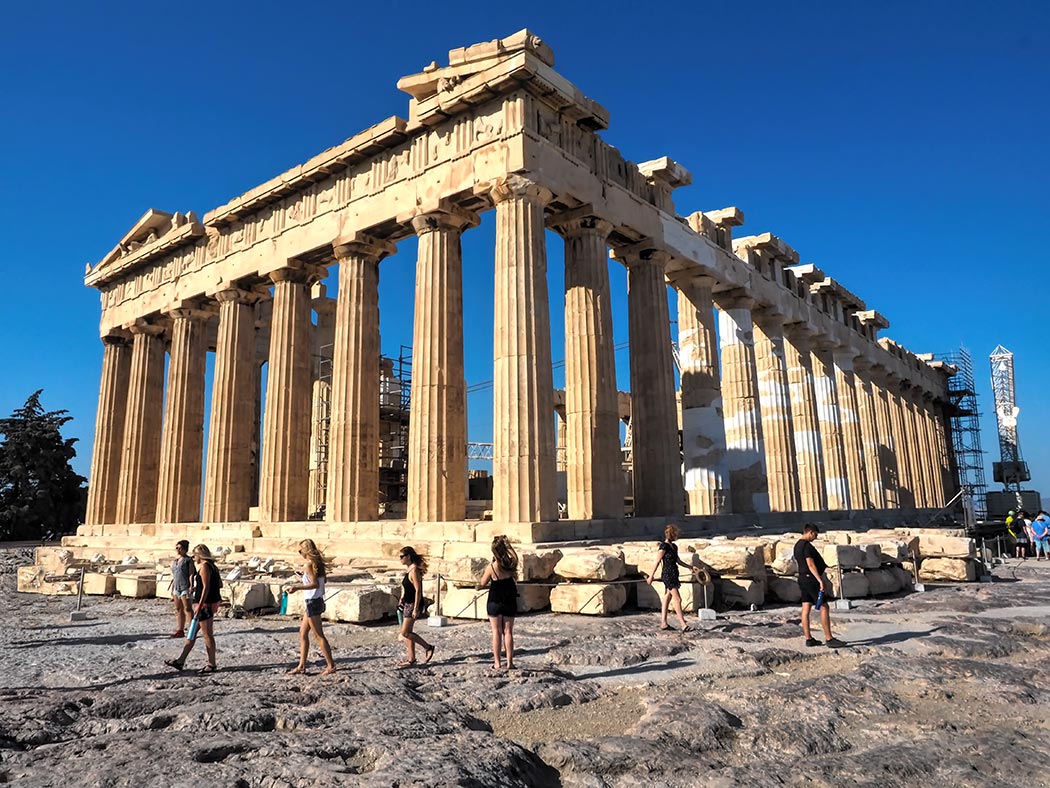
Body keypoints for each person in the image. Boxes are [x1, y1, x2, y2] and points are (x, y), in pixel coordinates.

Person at [164, 544, 222, 674]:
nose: (194, 558)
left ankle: (212, 664)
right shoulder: (213, 566)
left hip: (204, 605)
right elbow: (218, 584)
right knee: (191, 634)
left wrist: (200, 604)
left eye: (195, 555)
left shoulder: (205, 567)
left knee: (207, 635)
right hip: (208, 603)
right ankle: (180, 661)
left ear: (200, 555)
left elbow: (206, 587)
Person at [284, 539, 336, 675]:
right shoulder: (318, 564)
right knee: (302, 633)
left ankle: (331, 665)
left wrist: (297, 587)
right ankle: (301, 665)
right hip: (316, 600)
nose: (300, 553)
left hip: (312, 602)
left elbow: (315, 584)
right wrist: (304, 577)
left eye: (300, 550)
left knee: (319, 636)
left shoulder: (309, 565)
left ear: (305, 551)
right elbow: (322, 580)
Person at [793, 524, 845, 648]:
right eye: (815, 535)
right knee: (824, 606)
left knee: (806, 607)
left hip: (802, 577)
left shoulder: (797, 545)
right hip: (811, 578)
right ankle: (829, 638)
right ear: (810, 532)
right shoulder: (806, 546)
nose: (815, 538)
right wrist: (820, 580)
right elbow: (810, 564)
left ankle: (808, 638)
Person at [647, 524, 700, 632]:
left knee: (667, 597)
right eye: (675, 533)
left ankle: (663, 623)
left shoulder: (674, 547)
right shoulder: (663, 546)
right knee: (677, 599)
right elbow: (657, 561)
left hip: (674, 573)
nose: (677, 535)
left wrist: (690, 567)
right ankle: (683, 624)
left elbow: (678, 561)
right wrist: (651, 576)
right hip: (668, 575)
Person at [478, 535, 519, 670]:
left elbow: (482, 583)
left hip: (495, 600)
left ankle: (497, 663)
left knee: (496, 631)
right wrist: (509, 546)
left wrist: (478, 586)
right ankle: (510, 663)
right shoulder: (510, 564)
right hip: (509, 599)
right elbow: (516, 558)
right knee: (508, 632)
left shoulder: (492, 567)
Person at [397, 546, 435, 668]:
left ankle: (428, 647)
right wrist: (401, 599)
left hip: (413, 604)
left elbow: (418, 590)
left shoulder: (414, 571)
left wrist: (416, 608)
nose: (400, 559)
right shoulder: (409, 569)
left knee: (405, 633)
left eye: (402, 557)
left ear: (408, 556)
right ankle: (411, 658)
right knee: (408, 632)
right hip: (407, 603)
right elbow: (407, 588)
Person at [169, 540, 194, 638]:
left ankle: (192, 630)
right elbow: (174, 575)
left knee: (188, 608)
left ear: (185, 549)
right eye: (177, 548)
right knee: (179, 609)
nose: (178, 550)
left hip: (185, 586)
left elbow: (191, 573)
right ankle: (180, 629)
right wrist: (172, 588)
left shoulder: (188, 560)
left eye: (180, 548)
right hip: (176, 587)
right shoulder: (175, 561)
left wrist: (191, 585)